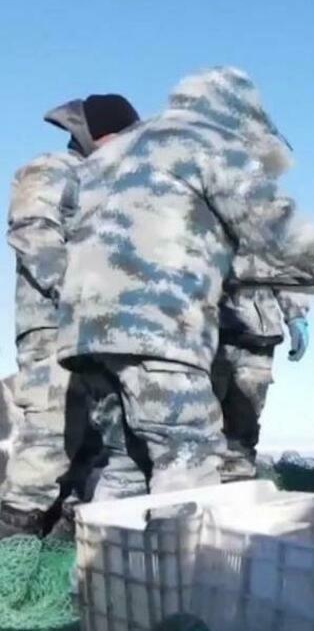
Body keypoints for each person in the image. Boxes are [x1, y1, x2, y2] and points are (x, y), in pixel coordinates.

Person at [56, 67, 314, 503]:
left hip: (87, 337)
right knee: (188, 459)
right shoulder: (208, 141)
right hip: (157, 331)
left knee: (125, 463)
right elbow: (276, 228)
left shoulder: (109, 159)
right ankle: (184, 550)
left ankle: (110, 546)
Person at [1, 95, 139, 538]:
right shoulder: (51, 169)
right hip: (54, 328)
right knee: (48, 437)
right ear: (97, 135)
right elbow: (33, 236)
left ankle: (64, 552)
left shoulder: (111, 187)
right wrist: (79, 297)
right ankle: (12, 550)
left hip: (96, 334)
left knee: (94, 443)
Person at [211, 286, 310, 481]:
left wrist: (296, 315)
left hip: (259, 337)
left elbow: (286, 272)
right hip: (208, 331)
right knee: (199, 419)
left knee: (244, 425)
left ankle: (237, 483)